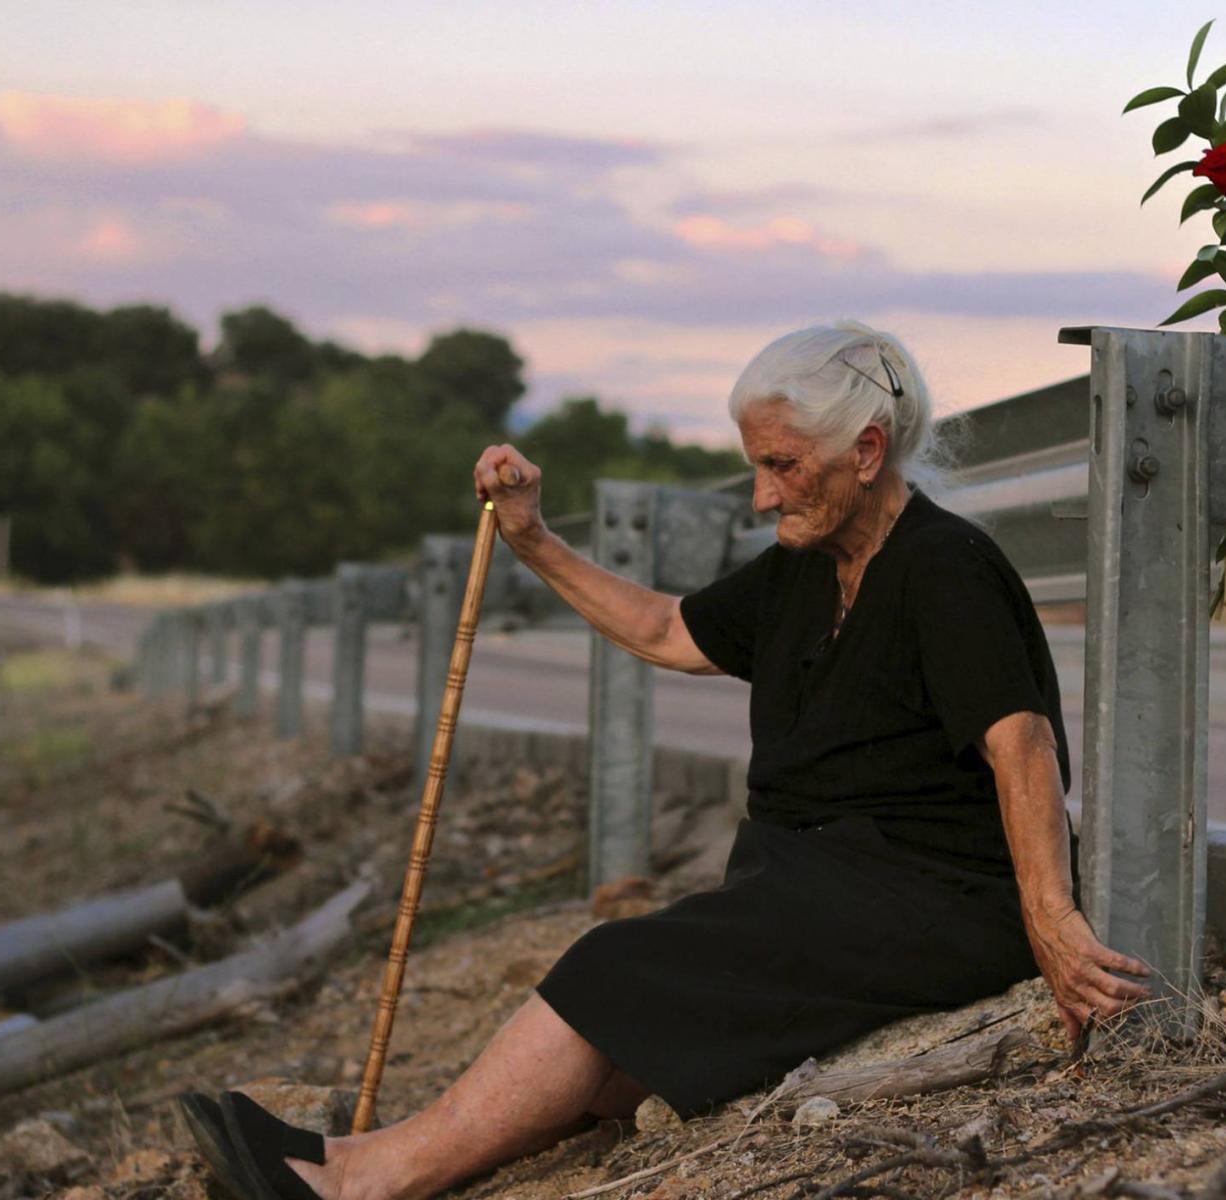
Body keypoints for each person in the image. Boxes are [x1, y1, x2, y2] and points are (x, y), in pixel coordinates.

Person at [184, 321, 1152, 1200]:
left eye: (780, 466)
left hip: (926, 900)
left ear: (864, 452)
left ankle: (360, 1183)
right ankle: (357, 1156)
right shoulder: (799, 567)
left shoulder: (946, 569)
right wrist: (533, 540)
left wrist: (1050, 923)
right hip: (817, 886)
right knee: (619, 1053)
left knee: (616, 963)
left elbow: (1016, 743)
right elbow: (662, 628)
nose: (764, 494)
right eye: (754, 467)